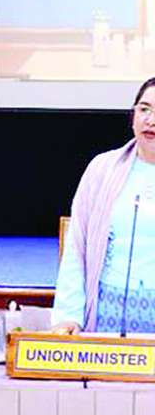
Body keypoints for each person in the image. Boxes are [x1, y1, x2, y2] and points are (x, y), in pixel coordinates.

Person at [52, 77, 155, 335]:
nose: (151, 120)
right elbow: (77, 246)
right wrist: (68, 316)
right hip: (105, 311)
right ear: (133, 116)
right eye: (144, 109)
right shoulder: (102, 168)